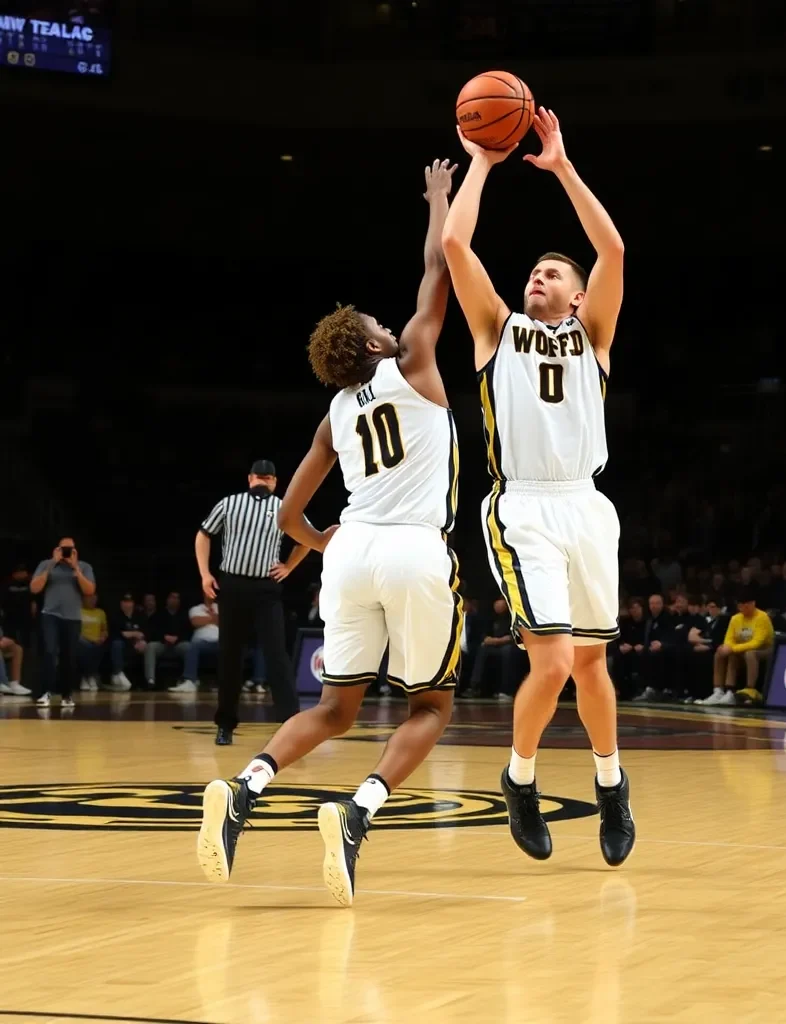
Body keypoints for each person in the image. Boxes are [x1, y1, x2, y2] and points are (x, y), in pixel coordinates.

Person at [197, 159, 463, 907]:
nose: (388, 323)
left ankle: (245, 790)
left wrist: (324, 545)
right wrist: (440, 198)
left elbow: (287, 517)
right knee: (431, 706)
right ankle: (356, 812)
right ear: (377, 345)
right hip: (414, 546)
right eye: (380, 324)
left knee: (333, 709)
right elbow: (437, 267)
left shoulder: (336, 415)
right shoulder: (412, 363)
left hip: (349, 554)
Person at [442, 109, 634, 865]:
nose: (536, 277)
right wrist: (483, 163)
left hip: (588, 506)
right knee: (550, 661)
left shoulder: (596, 337)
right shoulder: (497, 330)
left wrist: (560, 169)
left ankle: (612, 784)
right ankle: (518, 778)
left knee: (591, 664)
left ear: (580, 298)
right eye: (533, 272)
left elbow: (612, 247)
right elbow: (456, 243)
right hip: (522, 503)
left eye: (553, 273)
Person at [195, 460, 309, 743]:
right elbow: (307, 539)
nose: (263, 483)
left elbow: (202, 535)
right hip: (236, 586)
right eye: (264, 478)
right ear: (268, 480)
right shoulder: (265, 505)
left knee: (266, 656)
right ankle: (230, 724)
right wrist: (205, 574)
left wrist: (288, 567)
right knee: (243, 655)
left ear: (253, 479)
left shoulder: (260, 505)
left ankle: (280, 724)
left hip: (258, 588)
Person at [29, 536, 96, 708]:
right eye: (63, 549)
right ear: (57, 549)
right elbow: (34, 588)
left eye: (69, 550)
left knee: (69, 656)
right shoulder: (46, 564)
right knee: (50, 652)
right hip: (50, 614)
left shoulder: (84, 566)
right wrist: (53, 563)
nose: (66, 553)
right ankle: (46, 692)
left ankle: (67, 694)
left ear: (75, 551)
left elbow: (89, 591)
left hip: (72, 617)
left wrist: (75, 568)